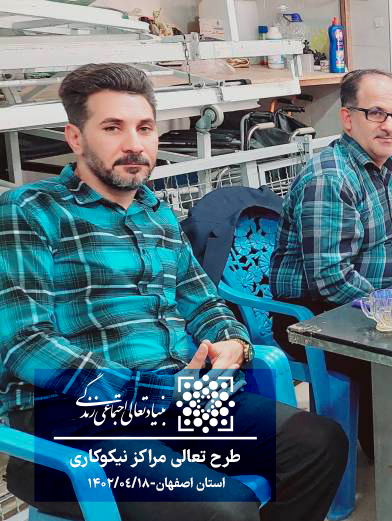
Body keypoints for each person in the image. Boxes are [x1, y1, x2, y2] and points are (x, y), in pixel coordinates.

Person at [0, 63, 346, 521]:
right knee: (226, 508)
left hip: (176, 403)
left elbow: (202, 300)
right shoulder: (29, 210)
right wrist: (152, 391)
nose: (134, 144)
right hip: (74, 417)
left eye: (144, 128)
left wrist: (231, 342)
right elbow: (24, 344)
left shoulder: (157, 215)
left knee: (319, 443)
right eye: (112, 128)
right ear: (75, 138)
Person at [270, 68, 392, 459]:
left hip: (374, 300)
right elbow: (331, 278)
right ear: (347, 118)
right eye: (376, 113)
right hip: (318, 315)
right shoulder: (330, 177)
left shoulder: (391, 167)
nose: (389, 126)